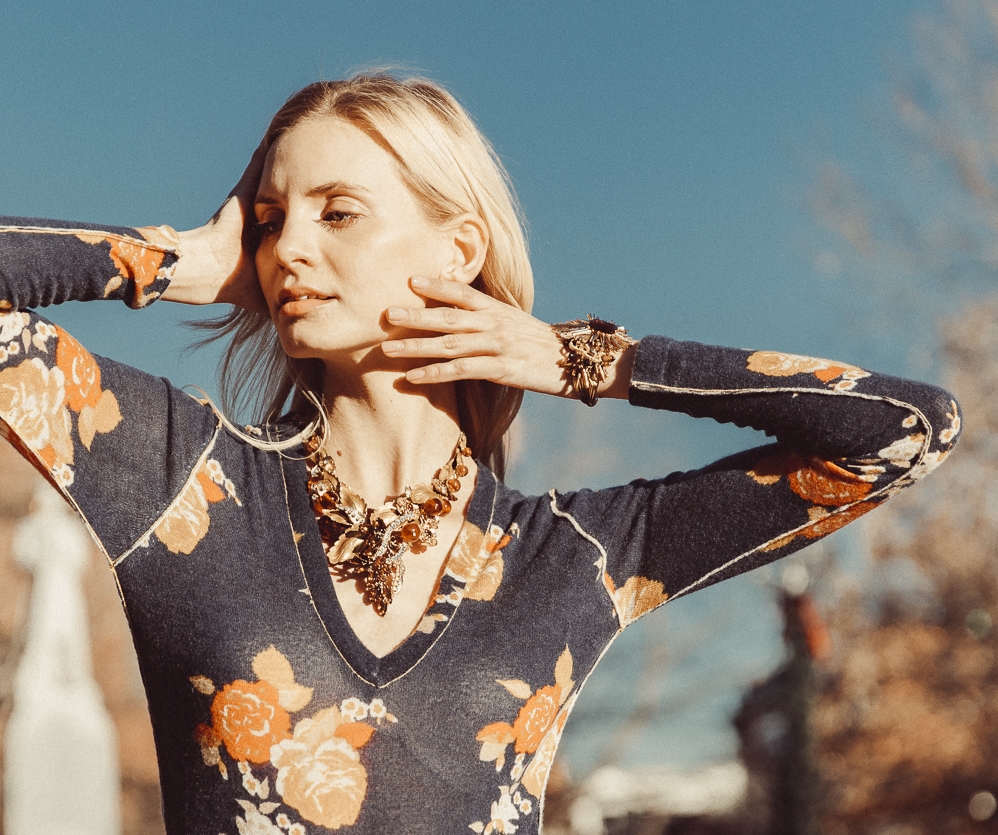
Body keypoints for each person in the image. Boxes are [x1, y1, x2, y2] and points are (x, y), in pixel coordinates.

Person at [0, 73, 960, 834]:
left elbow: (905, 429)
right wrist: (174, 261)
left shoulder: (581, 557)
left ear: (459, 250)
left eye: (338, 213)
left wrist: (585, 357)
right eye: (270, 220)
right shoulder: (183, 484)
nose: (289, 247)